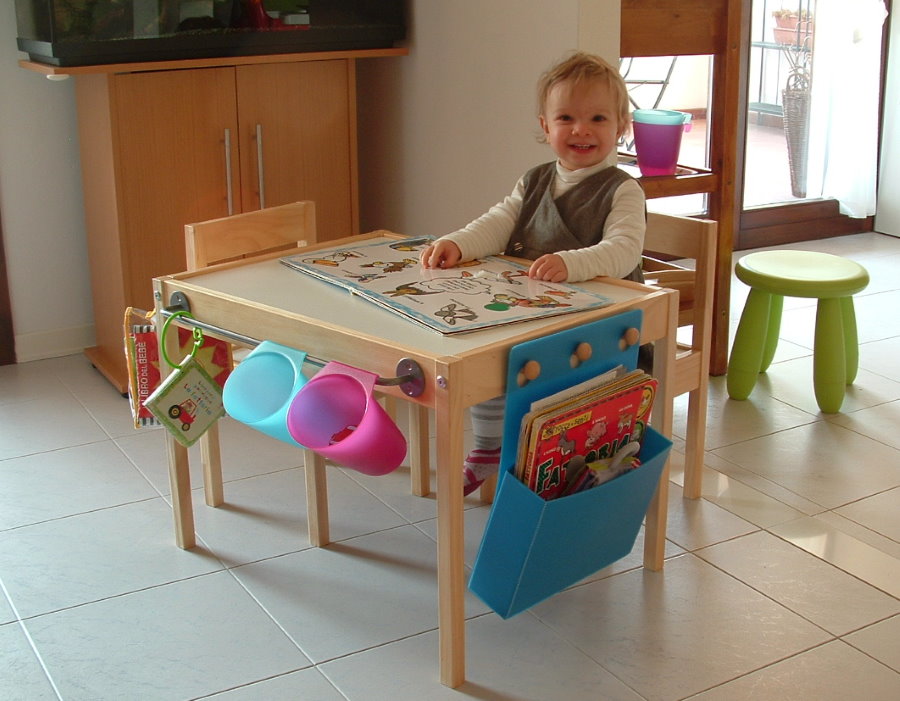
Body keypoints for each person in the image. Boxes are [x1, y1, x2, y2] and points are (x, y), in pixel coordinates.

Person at [420, 51, 647, 495]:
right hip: (539, 310)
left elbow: (623, 251)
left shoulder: (623, 190)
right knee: (477, 343)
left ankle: (532, 458)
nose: (581, 129)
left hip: (599, 324)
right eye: (566, 117)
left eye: (598, 118)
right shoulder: (534, 179)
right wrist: (458, 243)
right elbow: (498, 222)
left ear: (621, 126)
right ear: (545, 126)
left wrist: (572, 262)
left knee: (517, 359)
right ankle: (490, 446)